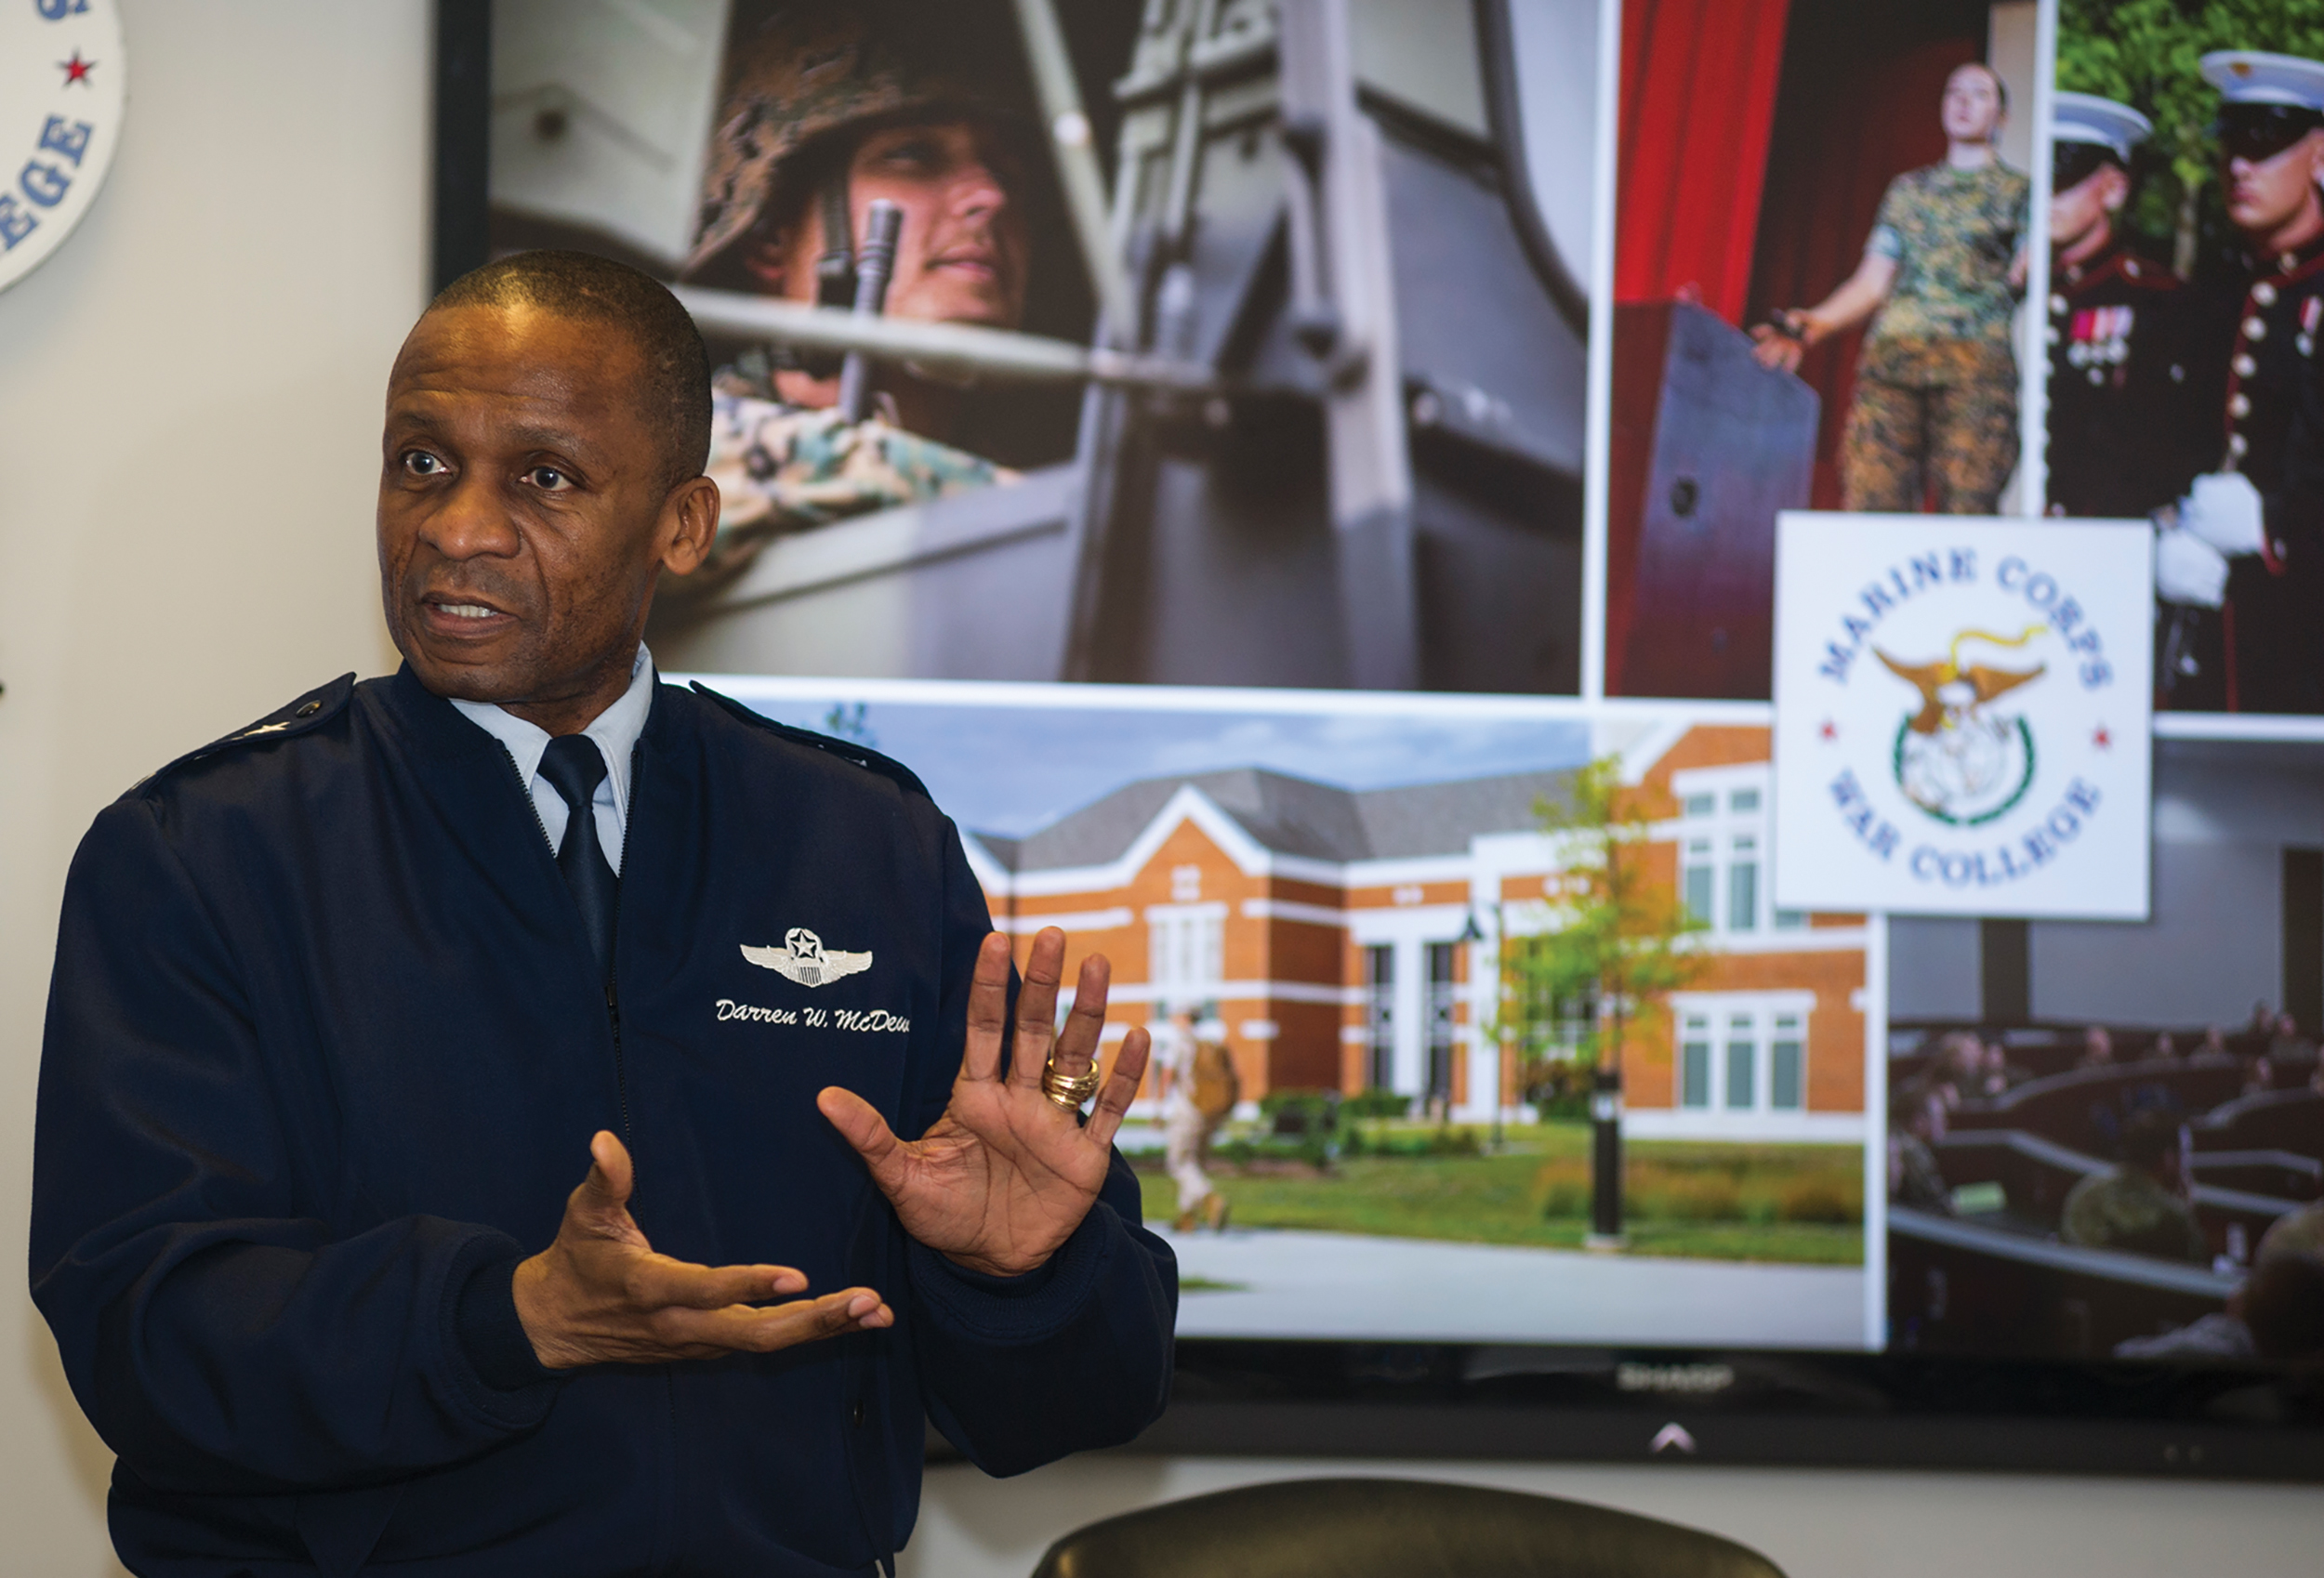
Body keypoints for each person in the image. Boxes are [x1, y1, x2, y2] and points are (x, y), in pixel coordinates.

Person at [28, 252, 1176, 1575]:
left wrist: (1018, 1274)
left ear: (682, 525)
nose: (456, 526)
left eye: (543, 477)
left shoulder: (867, 845)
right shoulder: (199, 852)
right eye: (420, 463)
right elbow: (143, 1331)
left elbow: (1076, 1399)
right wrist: (507, 1319)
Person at [675, 5, 1036, 584]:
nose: (990, 196)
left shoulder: (1032, 486)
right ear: (772, 240)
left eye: (1007, 174)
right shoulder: (679, 454)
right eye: (914, 155)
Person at [1753, 61, 2029, 515]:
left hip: (1974, 369)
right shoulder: (1908, 191)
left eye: (1978, 93)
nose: (1962, 101)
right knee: (1873, 501)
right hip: (1894, 364)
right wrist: (1815, 323)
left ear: (2002, 117)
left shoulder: (2020, 193)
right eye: (1952, 91)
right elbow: (1872, 281)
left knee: (1968, 507)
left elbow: (2033, 262)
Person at [2154, 51, 2324, 714]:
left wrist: (2274, 529)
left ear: (2318, 155)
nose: (2240, 167)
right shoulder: (2213, 299)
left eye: (2267, 146)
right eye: (2232, 146)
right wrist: (2162, 532)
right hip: (2212, 640)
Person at [2043, 93, 2207, 523]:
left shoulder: (2155, 296)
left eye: (2062, 179)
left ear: (2114, 189)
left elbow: (2171, 433)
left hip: (2111, 528)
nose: (2046, 196)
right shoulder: (2014, 288)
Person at [2062, 1108, 2209, 1263]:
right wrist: (2185, 1205)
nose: (2188, 1163)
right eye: (2185, 1152)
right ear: (2168, 1157)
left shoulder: (2094, 1185)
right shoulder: (2167, 1214)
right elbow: (2194, 1259)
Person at [1160, 1008, 1235, 1232]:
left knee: (1178, 1162)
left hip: (1186, 1110)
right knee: (1194, 1163)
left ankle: (1210, 1198)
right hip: (1208, 1112)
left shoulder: (1178, 1044)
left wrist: (1159, 1108)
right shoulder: (1205, 1045)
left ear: (1183, 1018)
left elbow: (1167, 1076)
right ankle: (1187, 1218)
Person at [1888, 1086, 1954, 1215]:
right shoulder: (1911, 1151)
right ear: (1918, 1121)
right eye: (1939, 1117)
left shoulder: (1894, 1136)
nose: (1945, 1123)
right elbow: (1937, 1201)